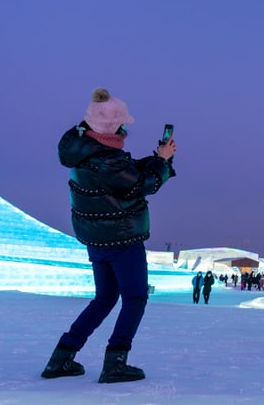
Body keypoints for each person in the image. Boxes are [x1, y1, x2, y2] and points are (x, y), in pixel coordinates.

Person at [41, 88, 177, 383]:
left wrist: (156, 158)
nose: (125, 131)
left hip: (97, 239)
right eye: (122, 126)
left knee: (104, 298)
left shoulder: (84, 151)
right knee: (135, 298)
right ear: (112, 126)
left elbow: (124, 174)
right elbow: (143, 184)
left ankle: (61, 357)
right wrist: (164, 161)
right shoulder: (107, 160)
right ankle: (115, 362)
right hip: (122, 238)